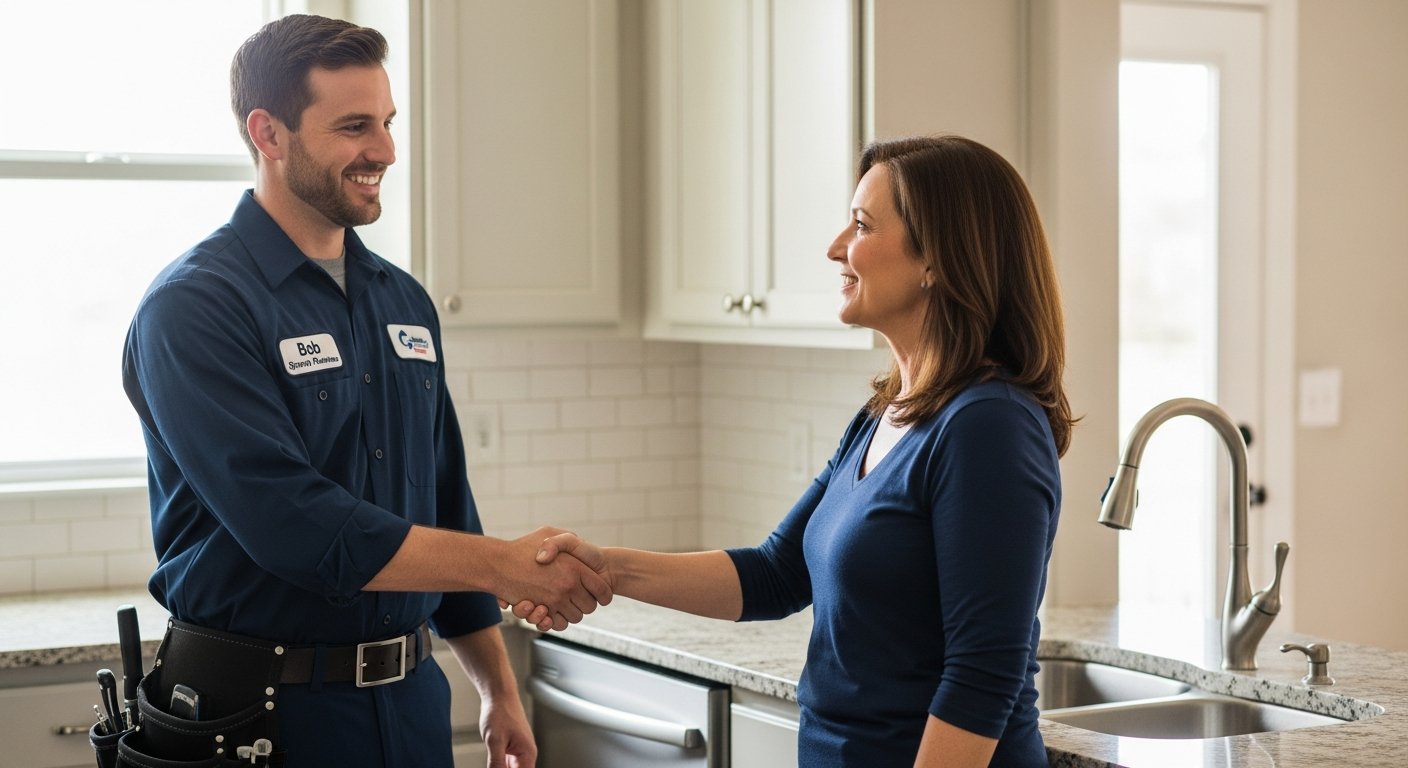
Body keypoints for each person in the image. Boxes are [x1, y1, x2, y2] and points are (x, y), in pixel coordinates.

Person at [121, 14, 607, 767]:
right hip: (257, 718)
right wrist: (500, 562)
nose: (383, 150)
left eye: (385, 122)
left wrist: (496, 687)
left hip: (408, 705)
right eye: (353, 127)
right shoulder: (195, 308)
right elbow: (295, 525)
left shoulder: (404, 302)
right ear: (269, 133)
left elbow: (446, 502)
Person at [521, 135, 1073, 767]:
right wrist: (606, 568)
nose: (836, 247)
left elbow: (983, 674)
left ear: (937, 260)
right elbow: (775, 573)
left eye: (862, 225)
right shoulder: (885, 415)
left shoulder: (988, 426)